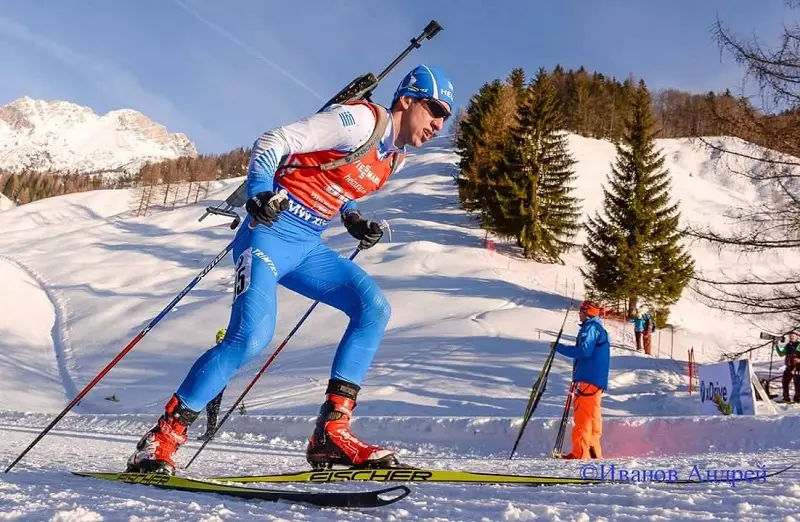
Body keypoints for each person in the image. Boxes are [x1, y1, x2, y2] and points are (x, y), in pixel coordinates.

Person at [126, 64, 455, 475]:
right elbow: (274, 140)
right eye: (435, 110)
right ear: (407, 99)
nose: (440, 124)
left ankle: (330, 434)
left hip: (306, 246)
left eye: (446, 117)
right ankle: (161, 438)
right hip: (267, 234)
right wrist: (261, 191)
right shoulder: (358, 121)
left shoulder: (395, 158)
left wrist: (353, 219)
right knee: (250, 338)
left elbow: (338, 181)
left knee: (373, 308)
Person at [553, 301, 611, 459]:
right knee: (592, 415)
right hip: (596, 379)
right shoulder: (599, 328)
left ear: (587, 313)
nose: (579, 314)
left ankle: (580, 453)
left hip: (587, 378)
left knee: (583, 416)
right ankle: (593, 451)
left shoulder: (590, 328)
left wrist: (558, 348)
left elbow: (584, 351)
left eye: (581, 311)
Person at [777, 331, 800, 403]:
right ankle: (786, 398)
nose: (791, 337)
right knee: (785, 382)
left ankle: (797, 398)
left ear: (797, 337)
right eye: (790, 336)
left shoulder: (799, 345)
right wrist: (779, 344)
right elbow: (781, 353)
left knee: (798, 384)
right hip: (789, 367)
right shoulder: (788, 345)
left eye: (793, 336)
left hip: (798, 368)